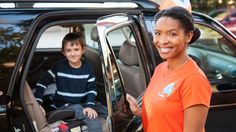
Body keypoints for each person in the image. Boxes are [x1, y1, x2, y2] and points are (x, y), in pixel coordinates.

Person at [126, 6, 212, 132]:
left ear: (188, 36)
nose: (162, 41)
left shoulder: (194, 80)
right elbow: (168, 113)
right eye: (158, 33)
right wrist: (140, 112)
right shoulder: (160, 69)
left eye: (172, 34)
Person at [34, 32, 103, 132]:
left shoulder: (88, 68)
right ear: (63, 52)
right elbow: (42, 83)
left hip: (82, 102)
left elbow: (92, 89)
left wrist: (89, 106)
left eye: (76, 49)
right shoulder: (59, 67)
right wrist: (38, 102)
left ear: (83, 50)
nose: (73, 53)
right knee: (90, 117)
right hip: (63, 105)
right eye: (68, 50)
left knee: (105, 110)